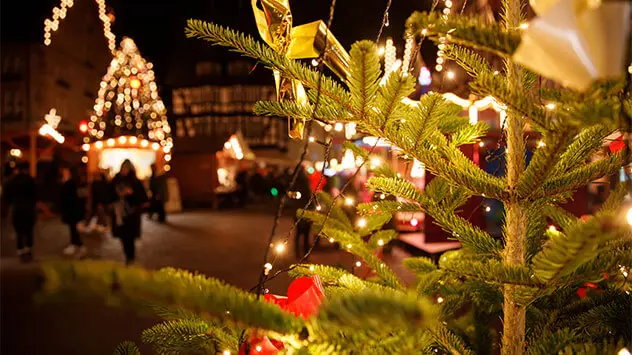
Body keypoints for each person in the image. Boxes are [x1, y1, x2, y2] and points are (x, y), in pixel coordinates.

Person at [110, 159, 148, 265]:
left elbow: (143, 198)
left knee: (130, 239)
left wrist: (131, 194)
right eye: (123, 168)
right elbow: (109, 195)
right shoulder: (116, 180)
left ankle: (130, 259)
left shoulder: (135, 182)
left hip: (131, 215)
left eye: (126, 168)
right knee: (122, 238)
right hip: (119, 214)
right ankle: (128, 257)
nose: (124, 170)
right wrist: (118, 195)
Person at [3, 161, 38, 262]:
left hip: (17, 208)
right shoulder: (30, 180)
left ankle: (21, 250)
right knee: (29, 230)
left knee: (19, 231)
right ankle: (28, 250)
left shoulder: (12, 181)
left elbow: (7, 196)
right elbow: (35, 195)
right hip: (29, 208)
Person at [60, 167, 87, 258]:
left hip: (72, 210)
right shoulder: (68, 183)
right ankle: (76, 245)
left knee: (73, 229)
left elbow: (71, 198)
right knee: (72, 229)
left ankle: (79, 246)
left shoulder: (71, 184)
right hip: (70, 210)